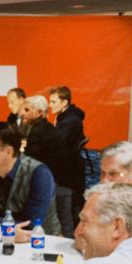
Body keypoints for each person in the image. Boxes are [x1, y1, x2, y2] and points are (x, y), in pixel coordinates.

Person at [0, 122, 61, 241]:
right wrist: (9, 232)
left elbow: (30, 227)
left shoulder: (39, 174)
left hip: (40, 244)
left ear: (8, 152)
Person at [49, 85, 87, 231]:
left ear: (64, 102)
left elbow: (58, 146)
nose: (50, 105)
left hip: (68, 173)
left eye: (53, 102)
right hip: (70, 167)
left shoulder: (70, 121)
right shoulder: (65, 118)